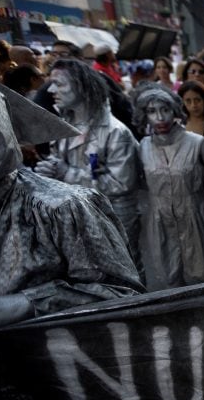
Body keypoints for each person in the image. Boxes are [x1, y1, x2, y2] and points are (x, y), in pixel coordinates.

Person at [0, 83, 143, 328]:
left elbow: (123, 298)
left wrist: (25, 304)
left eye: (63, 84)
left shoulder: (63, 208)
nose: (54, 89)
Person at [33, 59, 143, 280]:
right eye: (51, 83)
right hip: (78, 219)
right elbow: (59, 166)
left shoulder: (115, 132)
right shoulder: (63, 126)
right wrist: (48, 172)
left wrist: (66, 172)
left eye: (60, 84)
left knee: (123, 276)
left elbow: (121, 184)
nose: (52, 90)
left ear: (81, 86)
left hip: (114, 220)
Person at [131, 83, 204, 288]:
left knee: (201, 280)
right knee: (169, 280)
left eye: (165, 110)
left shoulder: (196, 143)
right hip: (161, 222)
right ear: (144, 115)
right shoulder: (142, 147)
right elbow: (138, 185)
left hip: (195, 218)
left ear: (174, 110)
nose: (160, 118)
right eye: (152, 111)